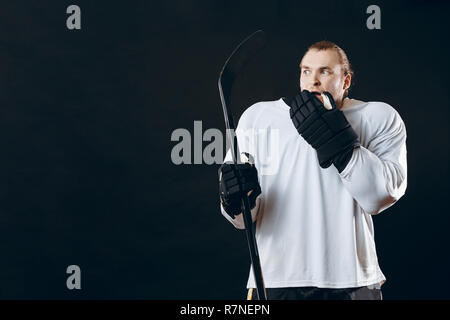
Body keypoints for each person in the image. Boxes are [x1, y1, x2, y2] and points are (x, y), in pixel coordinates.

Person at [218, 40, 407, 300]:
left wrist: (339, 143)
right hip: (273, 280)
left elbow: (378, 197)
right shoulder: (258, 118)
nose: (313, 81)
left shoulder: (377, 117)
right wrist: (235, 200)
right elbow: (242, 221)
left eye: (325, 71)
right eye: (306, 71)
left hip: (352, 280)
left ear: (346, 80)